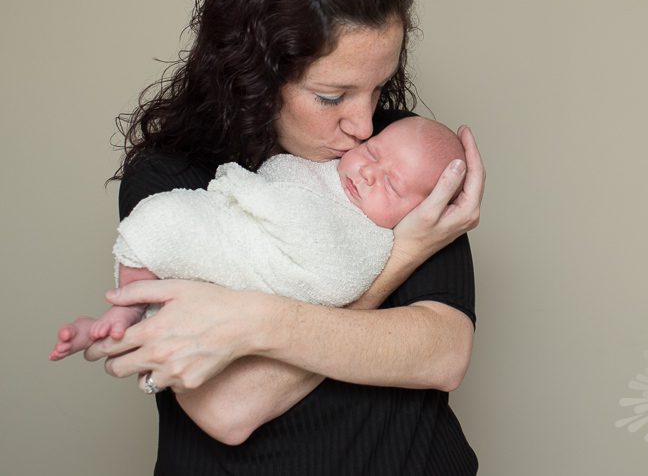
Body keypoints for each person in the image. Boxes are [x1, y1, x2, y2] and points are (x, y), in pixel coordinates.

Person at [64, 0, 484, 475]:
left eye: (378, 87)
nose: (364, 125)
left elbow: (442, 354)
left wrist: (246, 324)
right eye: (333, 97)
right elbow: (229, 408)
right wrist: (404, 252)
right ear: (256, 76)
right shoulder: (175, 179)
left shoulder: (399, 155)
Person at [49, 117, 465, 358]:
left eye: (391, 185)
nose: (369, 172)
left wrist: (251, 194)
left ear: (419, 213)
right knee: (161, 220)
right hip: (228, 241)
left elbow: (337, 278)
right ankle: (124, 311)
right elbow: (280, 176)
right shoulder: (326, 163)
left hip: (259, 279)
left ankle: (125, 329)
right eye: (372, 152)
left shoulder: (373, 239)